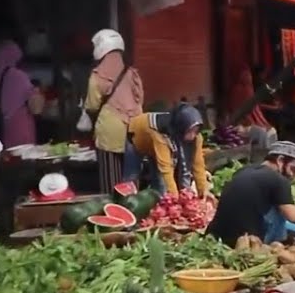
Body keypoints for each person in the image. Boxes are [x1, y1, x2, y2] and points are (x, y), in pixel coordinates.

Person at [207, 140, 295, 245]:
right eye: (291, 167)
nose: (292, 174)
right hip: (245, 242)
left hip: (217, 237)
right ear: (280, 160)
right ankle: (277, 244)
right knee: (280, 211)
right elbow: (294, 216)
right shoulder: (277, 179)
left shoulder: (244, 170)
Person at [84, 30, 144, 192]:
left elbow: (92, 105)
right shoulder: (132, 73)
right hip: (134, 129)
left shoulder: (97, 76)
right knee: (132, 179)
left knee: (111, 181)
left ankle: (112, 207)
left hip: (109, 133)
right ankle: (133, 211)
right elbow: (140, 99)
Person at [126, 103, 212, 199]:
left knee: (159, 183)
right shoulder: (161, 134)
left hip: (154, 146)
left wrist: (203, 192)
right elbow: (166, 169)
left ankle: (158, 206)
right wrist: (175, 200)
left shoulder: (196, 137)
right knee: (131, 177)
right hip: (136, 136)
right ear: (181, 128)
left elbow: (198, 164)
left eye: (195, 131)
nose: (192, 136)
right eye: (189, 131)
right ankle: (127, 203)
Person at [0, 40, 40, 149]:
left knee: (11, 159)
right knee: (25, 159)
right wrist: (37, 91)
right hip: (21, 126)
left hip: (6, 126)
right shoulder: (18, 76)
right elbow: (36, 108)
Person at [228, 68, 277, 163]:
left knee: (268, 131)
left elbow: (255, 109)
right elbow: (248, 110)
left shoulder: (242, 88)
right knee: (264, 132)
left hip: (244, 123)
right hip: (239, 124)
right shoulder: (242, 89)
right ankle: (262, 160)